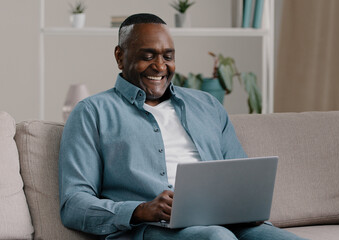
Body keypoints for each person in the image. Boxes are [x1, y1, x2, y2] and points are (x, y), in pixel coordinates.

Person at [59, 13, 306, 240]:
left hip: (226, 222)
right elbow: (73, 203)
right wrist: (141, 210)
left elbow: (241, 174)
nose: (160, 66)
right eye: (147, 56)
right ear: (120, 57)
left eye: (168, 56)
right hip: (151, 229)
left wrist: (248, 204)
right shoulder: (92, 112)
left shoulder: (207, 105)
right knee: (216, 237)